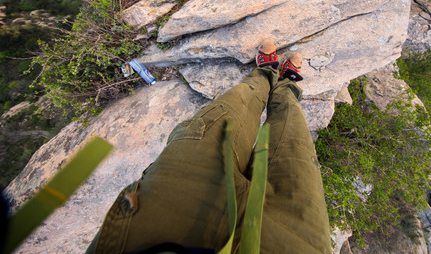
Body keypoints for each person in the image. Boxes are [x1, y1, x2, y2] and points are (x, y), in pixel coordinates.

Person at [86, 38, 331, 253]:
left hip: (169, 212)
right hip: (292, 241)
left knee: (237, 103)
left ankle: (266, 74)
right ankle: (285, 84)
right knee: (292, 132)